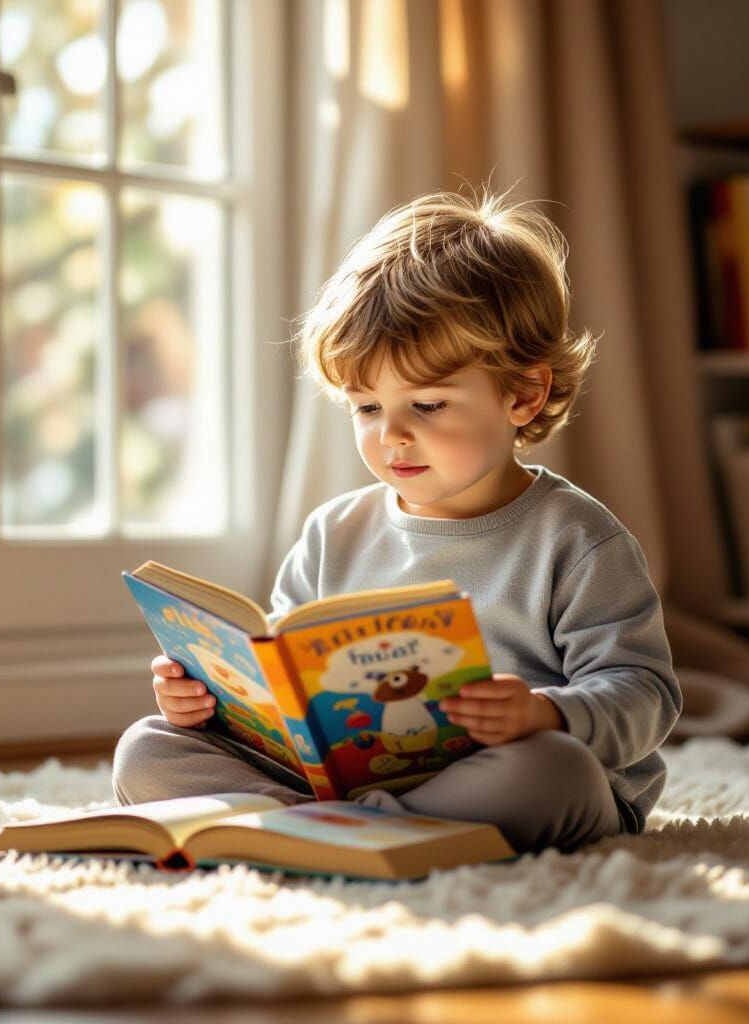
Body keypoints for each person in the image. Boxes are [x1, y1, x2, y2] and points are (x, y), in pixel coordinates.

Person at [112, 190, 682, 855]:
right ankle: (352, 828)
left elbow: (644, 695)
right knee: (146, 750)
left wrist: (545, 713)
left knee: (554, 774)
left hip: (506, 775)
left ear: (523, 395)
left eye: (429, 403)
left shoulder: (577, 538)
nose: (393, 436)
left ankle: (308, 831)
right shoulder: (334, 532)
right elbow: (290, 689)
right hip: (345, 783)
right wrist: (217, 702)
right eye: (365, 407)